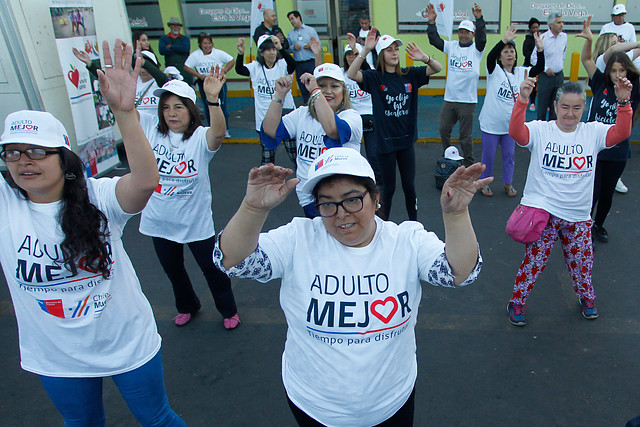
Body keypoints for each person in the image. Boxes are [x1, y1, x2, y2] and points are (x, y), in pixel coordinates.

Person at [212, 147, 488, 426]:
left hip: (391, 403)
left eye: (352, 200)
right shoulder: (299, 238)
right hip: (314, 406)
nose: (341, 214)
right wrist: (253, 208)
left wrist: (456, 215)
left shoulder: (406, 240)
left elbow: (460, 272)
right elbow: (233, 260)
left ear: (375, 198)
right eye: (327, 204)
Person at [0, 39, 185, 426]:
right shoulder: (7, 204)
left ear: (63, 156)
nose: (24, 162)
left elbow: (146, 182)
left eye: (36, 152)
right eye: (13, 153)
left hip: (126, 341)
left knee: (158, 420)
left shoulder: (96, 195)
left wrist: (126, 114)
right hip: (57, 356)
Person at [505, 78, 632, 327]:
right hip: (544, 213)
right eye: (564, 107)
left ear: (584, 108)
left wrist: (624, 102)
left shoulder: (592, 132)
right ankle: (516, 301)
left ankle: (587, 298)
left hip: (578, 215)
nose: (570, 113)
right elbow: (516, 133)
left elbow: (622, 132)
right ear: (555, 106)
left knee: (582, 265)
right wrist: (522, 100)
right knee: (534, 262)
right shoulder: (541, 130)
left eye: (576, 108)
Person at [137, 73, 240, 329]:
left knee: (212, 268)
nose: (171, 113)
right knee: (173, 269)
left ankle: (228, 310)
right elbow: (126, 112)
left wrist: (213, 100)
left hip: (195, 221)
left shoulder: (200, 137)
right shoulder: (151, 130)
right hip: (159, 220)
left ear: (191, 110)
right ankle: (187, 305)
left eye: (179, 107)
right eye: (166, 108)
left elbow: (218, 133)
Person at [347, 31, 442, 221]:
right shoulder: (374, 77)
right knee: (388, 189)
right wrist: (365, 49)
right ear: (382, 54)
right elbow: (351, 73)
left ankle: (414, 224)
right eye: (389, 50)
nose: (394, 53)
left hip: (406, 142)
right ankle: (382, 225)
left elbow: (437, 68)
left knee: (409, 187)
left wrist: (424, 57)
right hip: (385, 143)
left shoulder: (410, 74)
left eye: (396, 49)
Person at [261, 63, 362, 218]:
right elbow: (270, 132)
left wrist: (316, 91)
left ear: (344, 91)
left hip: (341, 198)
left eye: (334, 86)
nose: (328, 91)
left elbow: (332, 130)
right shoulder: (303, 114)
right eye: (321, 85)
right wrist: (279, 95)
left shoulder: (351, 117)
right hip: (309, 197)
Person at [577, 16, 640, 244]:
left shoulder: (634, 88)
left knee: (606, 194)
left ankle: (598, 224)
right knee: (591, 193)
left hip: (618, 152)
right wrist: (589, 40)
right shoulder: (600, 83)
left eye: (622, 70)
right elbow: (587, 58)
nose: (617, 75)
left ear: (627, 71)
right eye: (614, 70)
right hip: (595, 149)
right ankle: (583, 224)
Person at [478, 24, 544, 198]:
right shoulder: (494, 70)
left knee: (509, 156)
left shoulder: (523, 72)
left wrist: (540, 49)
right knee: (488, 157)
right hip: (491, 124)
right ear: (500, 57)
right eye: (506, 51)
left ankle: (508, 183)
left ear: (516, 56)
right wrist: (503, 41)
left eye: (512, 51)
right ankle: (485, 182)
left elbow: (540, 68)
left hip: (510, 126)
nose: (509, 54)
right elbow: (490, 57)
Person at [427, 3, 486, 166]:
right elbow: (434, 40)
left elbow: (482, 37)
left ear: (472, 34)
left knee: (465, 137)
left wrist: (479, 19)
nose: (463, 34)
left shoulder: (477, 49)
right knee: (444, 130)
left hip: (467, 101)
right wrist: (431, 22)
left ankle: (469, 163)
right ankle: (448, 158)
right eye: (461, 31)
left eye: (466, 32)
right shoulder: (451, 46)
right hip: (450, 99)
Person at [236, 35, 297, 165]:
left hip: (286, 114)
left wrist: (281, 48)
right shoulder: (255, 67)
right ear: (261, 52)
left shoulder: (282, 64)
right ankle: (268, 184)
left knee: (295, 154)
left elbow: (293, 65)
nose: (272, 52)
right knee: (267, 158)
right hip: (265, 117)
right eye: (268, 50)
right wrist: (240, 54)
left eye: (274, 49)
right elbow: (240, 70)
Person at [341, 40, 382, 186]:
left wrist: (357, 49)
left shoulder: (368, 70)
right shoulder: (341, 73)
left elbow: (365, 66)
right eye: (348, 54)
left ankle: (377, 181)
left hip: (369, 115)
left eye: (354, 54)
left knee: (372, 153)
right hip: (351, 117)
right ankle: (352, 179)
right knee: (351, 152)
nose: (351, 57)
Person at [184, 33, 235, 132]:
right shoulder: (196, 55)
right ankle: (212, 129)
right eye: (205, 43)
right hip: (204, 83)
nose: (208, 46)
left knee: (222, 106)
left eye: (209, 43)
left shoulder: (218, 53)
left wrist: (223, 72)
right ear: (200, 44)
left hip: (219, 83)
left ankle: (225, 129)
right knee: (208, 106)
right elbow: (186, 67)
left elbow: (231, 60)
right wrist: (199, 75)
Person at [531, 12, 567, 121]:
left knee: (556, 108)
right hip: (545, 77)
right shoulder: (543, 38)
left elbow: (563, 53)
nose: (561, 25)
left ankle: (553, 133)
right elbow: (533, 59)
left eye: (562, 22)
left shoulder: (564, 37)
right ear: (551, 24)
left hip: (559, 76)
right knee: (542, 108)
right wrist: (546, 69)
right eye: (558, 22)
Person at [286, 10, 320, 103]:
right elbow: (288, 48)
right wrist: (293, 47)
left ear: (298, 17)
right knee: (302, 86)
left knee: (314, 83)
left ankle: (317, 104)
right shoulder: (290, 34)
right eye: (290, 20)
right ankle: (307, 105)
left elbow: (318, 44)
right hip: (299, 64)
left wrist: (311, 46)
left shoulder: (310, 30)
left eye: (292, 18)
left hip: (310, 62)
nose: (292, 21)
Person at [159, 17, 191, 84]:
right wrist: (179, 49)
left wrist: (171, 47)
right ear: (170, 26)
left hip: (184, 73)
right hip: (170, 73)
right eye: (173, 25)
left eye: (177, 25)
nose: (176, 27)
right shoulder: (163, 38)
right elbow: (162, 50)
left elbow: (185, 49)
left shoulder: (185, 39)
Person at [522, 17, 540, 111]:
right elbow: (525, 53)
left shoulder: (542, 39)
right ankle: (531, 102)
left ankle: (545, 104)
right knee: (530, 85)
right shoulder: (528, 40)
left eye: (537, 27)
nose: (535, 30)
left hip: (539, 67)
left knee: (539, 86)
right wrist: (534, 56)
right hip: (529, 66)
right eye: (533, 28)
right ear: (530, 29)